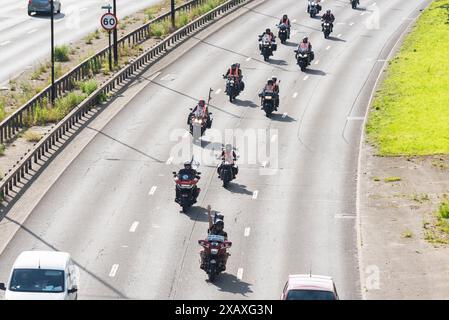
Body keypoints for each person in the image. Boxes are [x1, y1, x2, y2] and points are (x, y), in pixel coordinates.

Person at [200, 205, 230, 271]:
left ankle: (223, 265)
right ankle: (202, 263)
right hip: (210, 246)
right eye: (218, 225)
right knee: (201, 252)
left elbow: (225, 241)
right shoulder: (212, 229)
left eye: (221, 225)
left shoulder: (224, 233)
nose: (219, 226)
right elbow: (210, 221)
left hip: (219, 248)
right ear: (215, 225)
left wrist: (226, 244)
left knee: (226, 254)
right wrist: (208, 211)